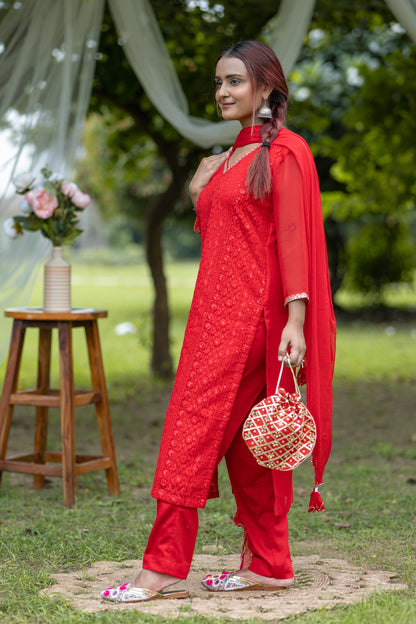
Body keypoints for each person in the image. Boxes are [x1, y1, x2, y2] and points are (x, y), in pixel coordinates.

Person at [101, 40, 336, 603]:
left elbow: (293, 241)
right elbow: (230, 241)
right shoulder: (228, 157)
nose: (223, 92)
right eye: (218, 83)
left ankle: (161, 569)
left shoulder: (285, 154)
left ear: (267, 88)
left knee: (189, 434)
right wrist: (197, 191)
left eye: (234, 81)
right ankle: (270, 564)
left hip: (252, 321)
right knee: (247, 450)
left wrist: (295, 321)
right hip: (214, 318)